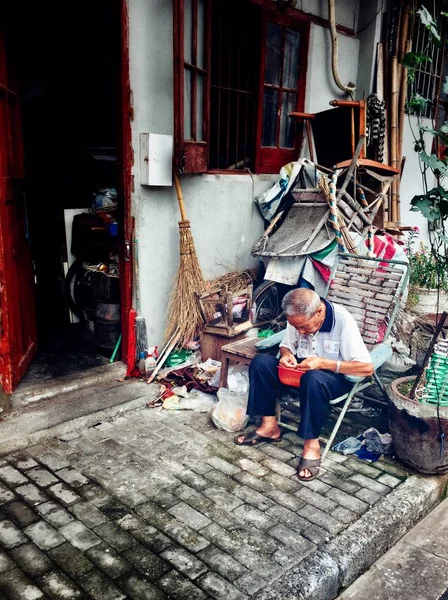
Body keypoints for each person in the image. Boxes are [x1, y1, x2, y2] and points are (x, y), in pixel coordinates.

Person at [234, 288, 373, 482]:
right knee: (261, 363)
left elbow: (367, 368)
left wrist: (324, 363)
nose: (300, 332)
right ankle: (269, 426)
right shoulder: (298, 318)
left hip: (333, 379)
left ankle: (311, 444)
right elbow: (286, 344)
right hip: (299, 373)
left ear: (318, 312)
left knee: (313, 378)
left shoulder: (342, 321)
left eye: (305, 328)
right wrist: (286, 355)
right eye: (296, 327)